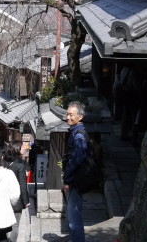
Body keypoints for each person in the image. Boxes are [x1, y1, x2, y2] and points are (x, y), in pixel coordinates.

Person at [62, 101, 88, 242]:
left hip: (76, 180)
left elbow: (76, 159)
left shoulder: (78, 136)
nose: (68, 117)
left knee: (74, 218)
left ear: (80, 117)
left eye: (71, 115)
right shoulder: (76, 132)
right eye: (67, 114)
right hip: (76, 179)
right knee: (73, 216)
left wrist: (68, 180)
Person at [4, 140, 30, 242]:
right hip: (16, 198)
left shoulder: (4, 162)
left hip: (3, 197)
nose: (25, 148)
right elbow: (23, 185)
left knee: (3, 223)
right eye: (23, 147)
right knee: (15, 224)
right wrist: (26, 201)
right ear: (17, 148)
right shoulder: (20, 165)